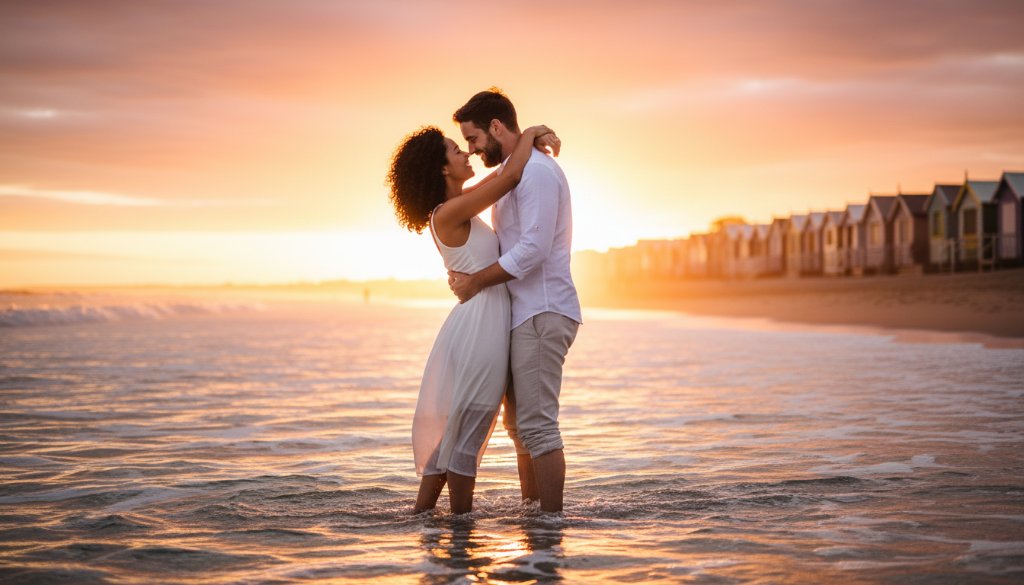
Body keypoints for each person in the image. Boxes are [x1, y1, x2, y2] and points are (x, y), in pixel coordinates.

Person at [386, 122, 561, 514]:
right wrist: (531, 132)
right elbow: (511, 175)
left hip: (482, 320)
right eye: (455, 149)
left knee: (460, 426)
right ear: (442, 169)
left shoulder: (460, 204)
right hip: (480, 326)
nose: (466, 153)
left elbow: (503, 173)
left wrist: (522, 141)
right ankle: (461, 528)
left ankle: (423, 519)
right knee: (471, 423)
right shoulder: (449, 212)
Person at [448, 89, 581, 513]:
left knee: (538, 427)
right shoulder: (514, 171)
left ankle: (551, 527)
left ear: (497, 127)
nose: (471, 149)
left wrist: (475, 283)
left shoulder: (537, 173)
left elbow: (533, 249)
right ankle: (533, 518)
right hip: (522, 315)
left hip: (542, 311)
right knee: (520, 429)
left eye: (472, 139)